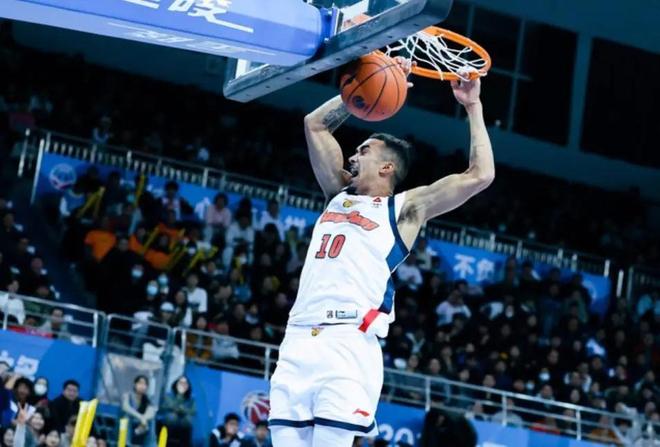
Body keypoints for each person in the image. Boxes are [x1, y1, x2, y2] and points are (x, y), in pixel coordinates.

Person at [268, 61, 494, 447]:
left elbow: (480, 175)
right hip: (298, 338)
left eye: (363, 150)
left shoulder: (404, 208)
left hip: (348, 342)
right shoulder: (337, 194)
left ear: (387, 166)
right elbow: (315, 124)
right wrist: (360, 92)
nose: (353, 156)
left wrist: (473, 106)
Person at [157, 376, 195, 447]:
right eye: (181, 383)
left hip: (183, 419)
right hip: (168, 418)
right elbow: (169, 405)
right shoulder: (168, 394)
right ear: (176, 384)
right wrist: (180, 395)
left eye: (185, 383)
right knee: (172, 417)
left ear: (188, 386)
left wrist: (181, 409)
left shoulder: (191, 398)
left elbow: (192, 411)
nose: (183, 385)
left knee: (188, 420)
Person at [121, 376, 155, 447]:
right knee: (127, 417)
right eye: (140, 383)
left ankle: (151, 445)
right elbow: (125, 407)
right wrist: (141, 417)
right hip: (126, 425)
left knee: (152, 420)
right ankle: (127, 444)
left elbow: (151, 411)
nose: (142, 386)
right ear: (135, 384)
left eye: (144, 384)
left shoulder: (147, 399)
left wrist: (145, 419)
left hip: (141, 427)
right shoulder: (127, 395)